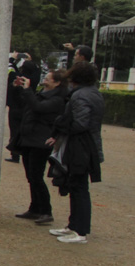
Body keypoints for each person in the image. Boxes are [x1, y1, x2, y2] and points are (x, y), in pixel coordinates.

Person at [46, 62, 103, 244]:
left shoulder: (80, 96)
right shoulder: (93, 93)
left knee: (79, 188)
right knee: (78, 186)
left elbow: (80, 123)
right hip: (87, 145)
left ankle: (80, 230)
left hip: (81, 146)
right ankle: (74, 225)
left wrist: (61, 124)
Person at [11, 68, 67, 226]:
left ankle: (46, 210)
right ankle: (35, 207)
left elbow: (38, 108)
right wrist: (17, 88)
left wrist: (28, 90)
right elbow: (25, 104)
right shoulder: (42, 93)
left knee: (36, 176)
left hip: (40, 141)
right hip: (29, 138)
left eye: (48, 78)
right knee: (31, 176)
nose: (45, 80)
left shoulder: (57, 100)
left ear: (57, 83)